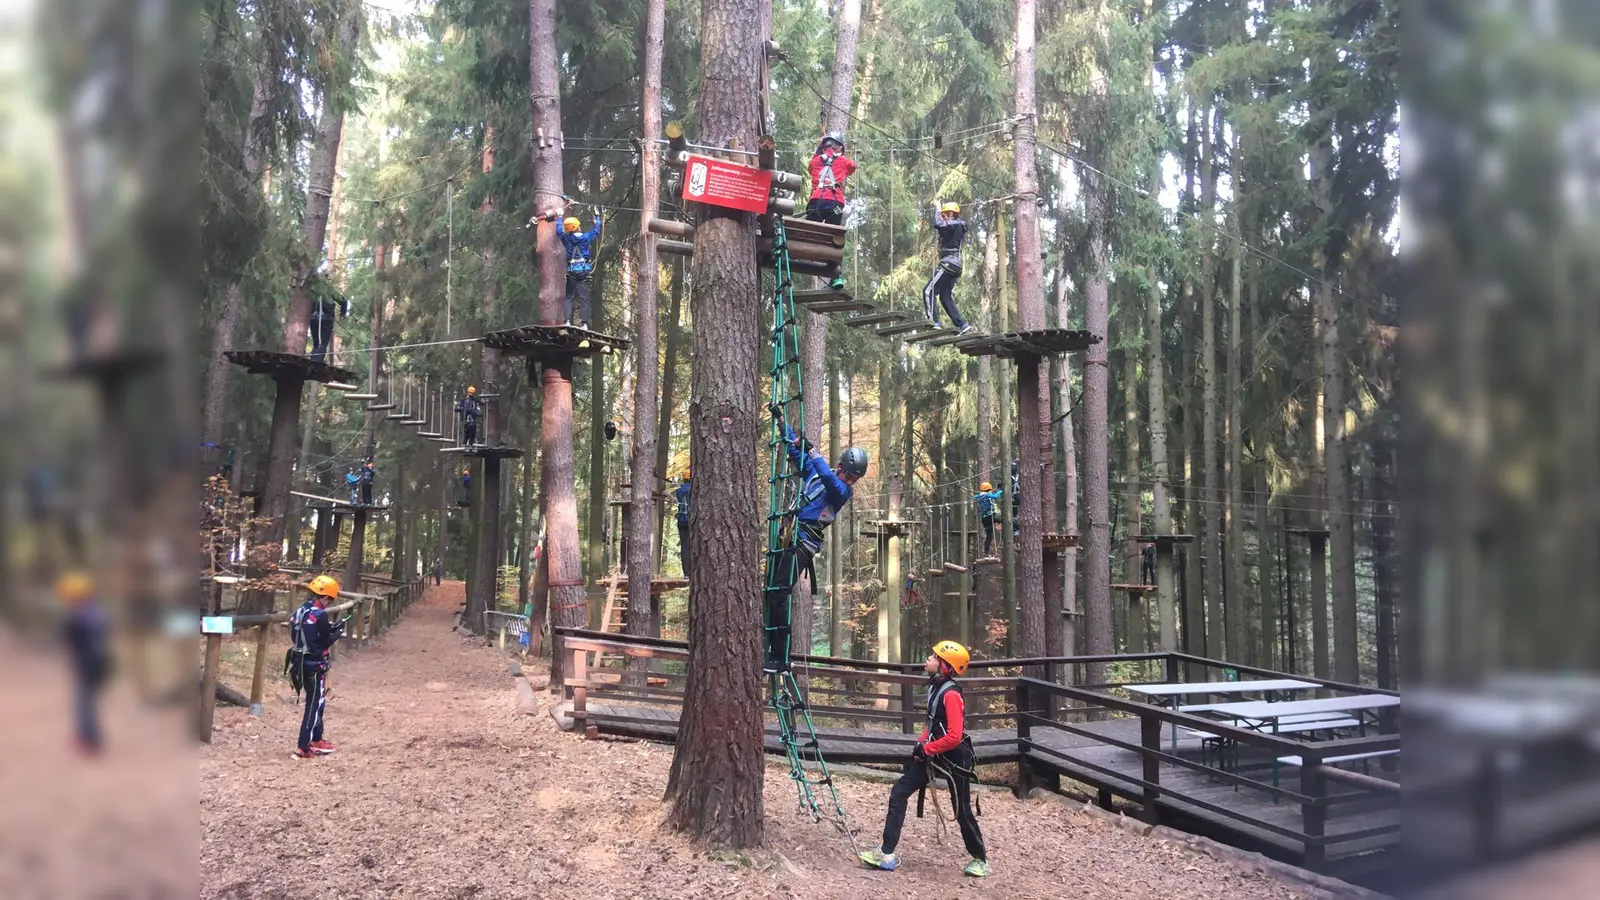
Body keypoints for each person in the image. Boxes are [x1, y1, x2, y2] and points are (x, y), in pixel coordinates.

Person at [860, 640, 989, 877]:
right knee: (900, 791)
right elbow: (932, 724)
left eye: (933, 657)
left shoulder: (951, 694)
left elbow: (954, 736)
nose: (928, 659)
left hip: (955, 759)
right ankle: (886, 854)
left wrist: (927, 749)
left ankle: (980, 859)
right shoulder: (933, 687)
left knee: (961, 810)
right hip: (934, 753)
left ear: (945, 666)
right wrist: (921, 744)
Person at [765, 403, 868, 671]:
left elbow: (827, 476)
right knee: (771, 589)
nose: (851, 481)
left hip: (803, 544)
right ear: (842, 466)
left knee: (779, 592)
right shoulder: (816, 474)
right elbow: (795, 452)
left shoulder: (841, 491)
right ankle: (770, 644)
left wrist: (812, 450)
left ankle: (780, 656)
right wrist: (782, 422)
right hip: (789, 536)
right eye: (850, 475)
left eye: (855, 478)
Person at [285, 575, 346, 759]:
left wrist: (330, 630)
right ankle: (304, 746)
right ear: (325, 597)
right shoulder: (319, 615)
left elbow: (302, 637)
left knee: (319, 701)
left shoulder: (299, 612)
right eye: (330, 599)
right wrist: (339, 630)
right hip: (313, 665)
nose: (329, 603)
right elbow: (325, 641)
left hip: (299, 663)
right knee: (313, 703)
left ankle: (317, 738)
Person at [59, 571, 110, 755]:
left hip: (88, 663)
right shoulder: (96, 612)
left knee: (84, 701)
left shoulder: (78, 615)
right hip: (98, 662)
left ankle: (89, 739)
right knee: (88, 700)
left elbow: (69, 638)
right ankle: (90, 737)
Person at [806, 133, 855, 291]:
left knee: (812, 233)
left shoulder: (815, 161)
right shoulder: (843, 161)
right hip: (835, 203)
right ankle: (836, 276)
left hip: (816, 202)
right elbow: (852, 167)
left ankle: (808, 258)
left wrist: (819, 150)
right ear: (839, 147)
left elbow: (810, 168)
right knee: (834, 240)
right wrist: (840, 155)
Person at [923, 201, 973, 333]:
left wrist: (938, 209)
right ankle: (962, 324)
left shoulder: (957, 224)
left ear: (951, 213)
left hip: (949, 264)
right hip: (954, 265)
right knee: (945, 297)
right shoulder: (954, 227)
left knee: (928, 291)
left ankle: (933, 321)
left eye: (945, 215)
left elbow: (939, 224)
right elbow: (942, 227)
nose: (943, 217)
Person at [559, 210, 603, 328]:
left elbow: (558, 231)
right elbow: (596, 231)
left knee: (569, 297)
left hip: (572, 271)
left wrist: (559, 218)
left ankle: (567, 321)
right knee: (584, 298)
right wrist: (597, 218)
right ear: (577, 227)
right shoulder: (585, 237)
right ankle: (584, 324)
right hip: (583, 271)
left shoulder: (565, 238)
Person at [308, 278, 350, 362]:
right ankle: (316, 363)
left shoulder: (313, 289)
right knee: (323, 343)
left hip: (313, 319)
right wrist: (342, 315)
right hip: (326, 320)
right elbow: (344, 301)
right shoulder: (330, 290)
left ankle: (313, 361)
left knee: (316, 344)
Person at [972, 481, 1002, 557]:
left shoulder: (978, 496)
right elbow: (995, 496)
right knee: (1002, 518)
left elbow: (974, 497)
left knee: (989, 536)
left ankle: (986, 553)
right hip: (990, 516)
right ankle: (1001, 526)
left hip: (984, 519)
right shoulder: (987, 495)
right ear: (988, 489)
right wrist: (1001, 490)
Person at [674, 471, 692, 577]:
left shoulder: (678, 491)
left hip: (681, 521)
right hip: (692, 521)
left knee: (684, 546)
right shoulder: (695, 489)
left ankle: (686, 572)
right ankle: (693, 570)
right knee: (693, 546)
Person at [1009, 460, 1020, 539]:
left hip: (1016, 496)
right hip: (1014, 497)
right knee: (1013, 515)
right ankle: (1016, 530)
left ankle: (1017, 529)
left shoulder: (1020, 475)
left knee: (1013, 515)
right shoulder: (1009, 476)